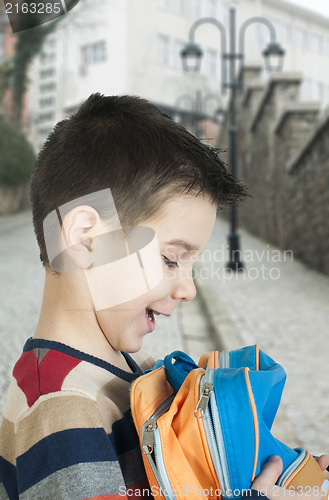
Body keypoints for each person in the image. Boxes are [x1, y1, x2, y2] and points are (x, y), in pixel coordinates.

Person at [0, 94, 327, 499]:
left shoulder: (124, 370)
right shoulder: (60, 408)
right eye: (171, 258)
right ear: (86, 240)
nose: (187, 289)